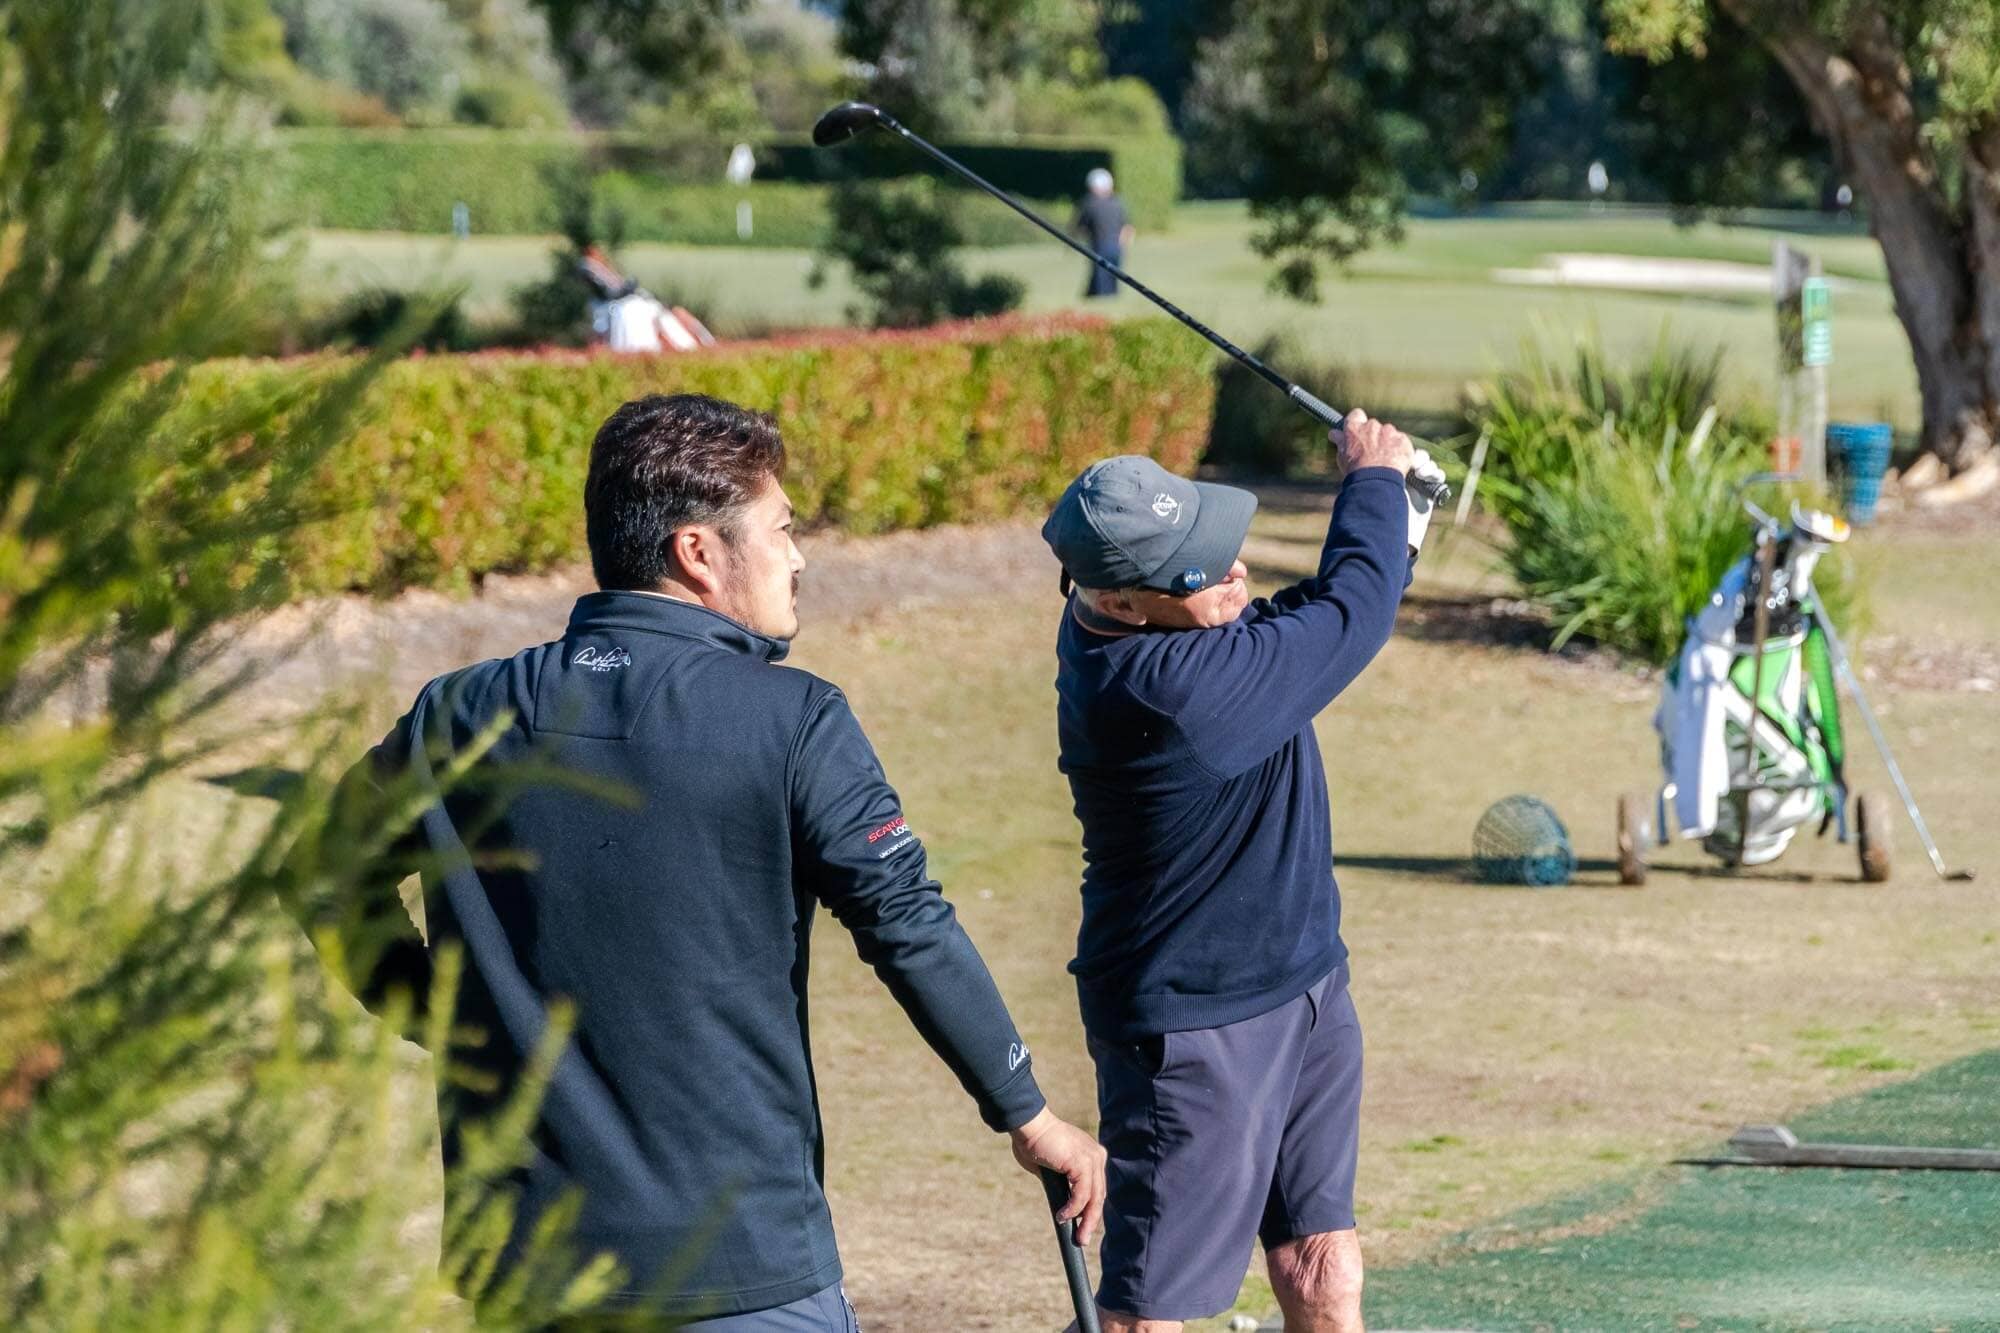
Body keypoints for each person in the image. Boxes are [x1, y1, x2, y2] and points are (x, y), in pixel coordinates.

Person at [307, 393, 1106, 1328]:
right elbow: (908, 923)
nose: (800, 557)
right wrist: (1029, 1114)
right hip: (745, 1274)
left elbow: (323, 874)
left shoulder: (458, 712)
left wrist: (448, 1021)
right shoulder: (796, 719)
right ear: (699, 551)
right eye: (782, 529)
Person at [1038, 412, 1444, 1333]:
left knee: (1324, 1267)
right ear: (1125, 601)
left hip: (1304, 983)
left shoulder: (1163, 624)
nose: (1235, 570)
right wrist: (1376, 481)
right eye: (1198, 567)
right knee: (1147, 1317)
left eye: (1218, 542)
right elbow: (1346, 617)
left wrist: (1400, 514)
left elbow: (1315, 617)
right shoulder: (1168, 693)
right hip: (1194, 1030)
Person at [1073, 167, 1134, 299]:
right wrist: (1124, 243)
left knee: (1100, 276)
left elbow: (1080, 227)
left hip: (1099, 245)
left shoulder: (1089, 203)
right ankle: (1105, 296)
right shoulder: (1118, 202)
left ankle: (1099, 296)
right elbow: (1127, 227)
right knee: (1113, 276)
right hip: (1116, 245)